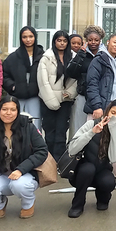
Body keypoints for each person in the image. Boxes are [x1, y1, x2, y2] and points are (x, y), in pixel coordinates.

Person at [0, 96, 48, 219]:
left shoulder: (28, 127)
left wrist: (21, 169)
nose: (8, 113)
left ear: (17, 111)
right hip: (2, 174)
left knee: (19, 185)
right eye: (4, 109)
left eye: (13, 109)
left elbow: (41, 151)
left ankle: (28, 204)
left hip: (25, 174)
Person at [66, 98, 116, 218]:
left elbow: (113, 158)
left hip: (102, 170)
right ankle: (77, 204)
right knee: (88, 169)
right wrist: (92, 132)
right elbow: (72, 149)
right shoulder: (91, 123)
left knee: (108, 182)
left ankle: (102, 198)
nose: (115, 117)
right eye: (113, 113)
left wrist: (114, 131)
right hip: (81, 171)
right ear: (107, 111)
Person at [86, 33, 116, 178]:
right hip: (100, 107)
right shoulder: (99, 60)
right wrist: (97, 106)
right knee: (95, 140)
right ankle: (93, 170)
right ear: (108, 42)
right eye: (114, 42)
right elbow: (92, 84)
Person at [37, 30, 77, 161]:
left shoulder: (73, 56)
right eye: (59, 40)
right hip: (48, 100)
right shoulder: (46, 58)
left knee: (61, 132)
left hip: (65, 100)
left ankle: (59, 160)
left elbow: (76, 78)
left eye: (65, 41)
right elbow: (43, 81)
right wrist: (51, 100)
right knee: (49, 131)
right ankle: (48, 160)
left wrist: (70, 93)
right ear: (54, 41)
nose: (62, 43)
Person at [66, 25, 106, 140]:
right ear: (86, 40)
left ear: (100, 40)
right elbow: (71, 73)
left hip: (100, 96)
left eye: (96, 40)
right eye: (90, 40)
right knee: (78, 128)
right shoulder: (81, 54)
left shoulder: (105, 54)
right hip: (83, 95)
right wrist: (80, 55)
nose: (93, 42)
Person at [2, 25, 44, 130]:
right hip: (17, 96)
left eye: (31, 36)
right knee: (15, 124)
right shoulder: (13, 57)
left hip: (35, 96)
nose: (28, 40)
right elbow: (4, 75)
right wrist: (13, 87)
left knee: (35, 124)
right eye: (25, 37)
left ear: (35, 37)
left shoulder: (43, 56)